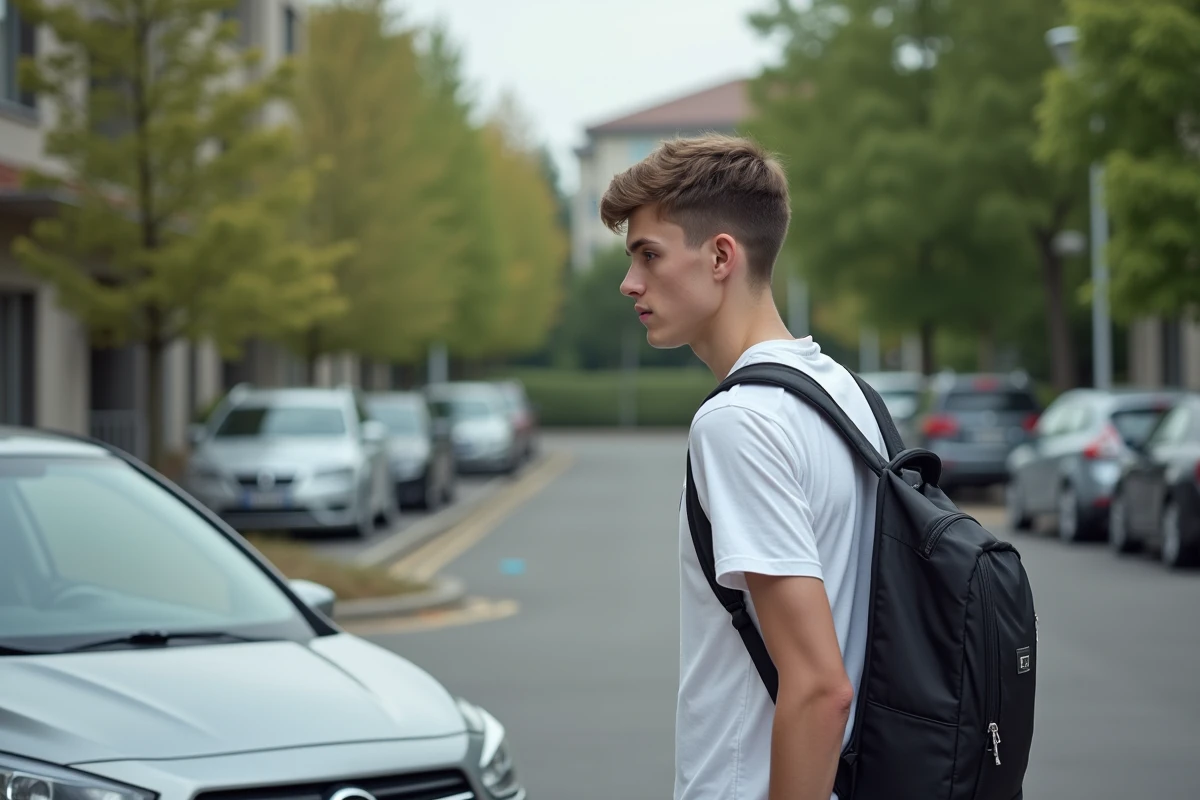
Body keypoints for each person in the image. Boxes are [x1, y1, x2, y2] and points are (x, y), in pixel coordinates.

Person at [599, 134, 887, 800]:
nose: (630, 282)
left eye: (649, 254)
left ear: (721, 256)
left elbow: (819, 687)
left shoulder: (738, 421)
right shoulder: (846, 394)